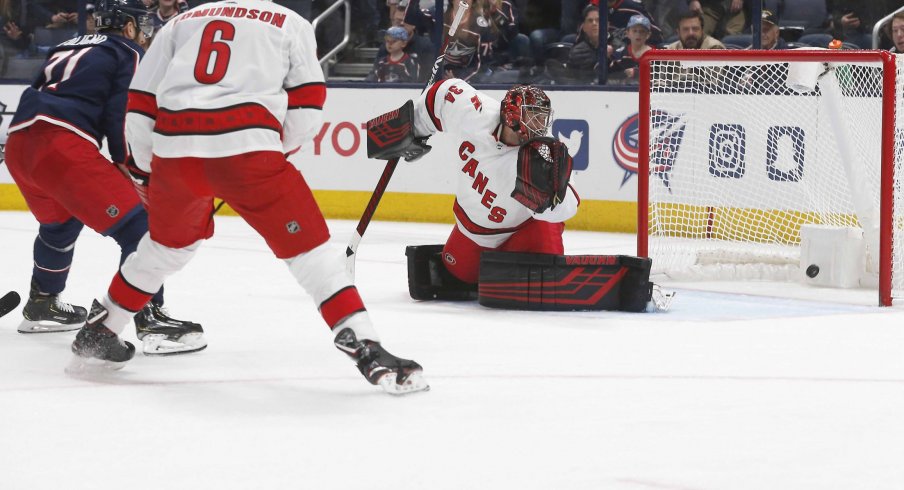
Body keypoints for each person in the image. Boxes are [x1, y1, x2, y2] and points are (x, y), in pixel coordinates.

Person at [68, 0, 428, 395]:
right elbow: (307, 102)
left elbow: (140, 102)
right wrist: (276, 150)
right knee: (310, 253)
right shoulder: (289, 21)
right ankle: (363, 343)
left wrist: (146, 167)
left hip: (175, 150)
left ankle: (102, 326)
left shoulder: (181, 21)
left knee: (165, 249)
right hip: (248, 147)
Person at [5, 0, 205, 355]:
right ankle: (149, 317)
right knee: (142, 227)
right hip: (62, 145)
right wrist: (130, 168)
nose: (144, 34)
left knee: (60, 224)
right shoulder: (128, 52)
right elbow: (121, 116)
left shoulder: (67, 44)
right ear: (128, 27)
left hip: (20, 143)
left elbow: (39, 89)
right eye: (140, 27)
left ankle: (43, 303)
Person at [404, 80, 580, 285]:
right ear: (512, 114)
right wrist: (412, 127)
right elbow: (440, 96)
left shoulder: (546, 153)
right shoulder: (475, 111)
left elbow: (569, 205)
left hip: (525, 229)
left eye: (543, 117)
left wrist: (546, 203)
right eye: (534, 115)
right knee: (459, 273)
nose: (540, 124)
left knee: (547, 276)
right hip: (476, 233)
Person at [609, 14, 654, 83]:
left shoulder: (656, 54)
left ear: (648, 35)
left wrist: (637, 73)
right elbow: (606, 73)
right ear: (627, 33)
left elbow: (659, 75)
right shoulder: (620, 54)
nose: (638, 34)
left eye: (642, 31)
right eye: (634, 31)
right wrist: (606, 57)